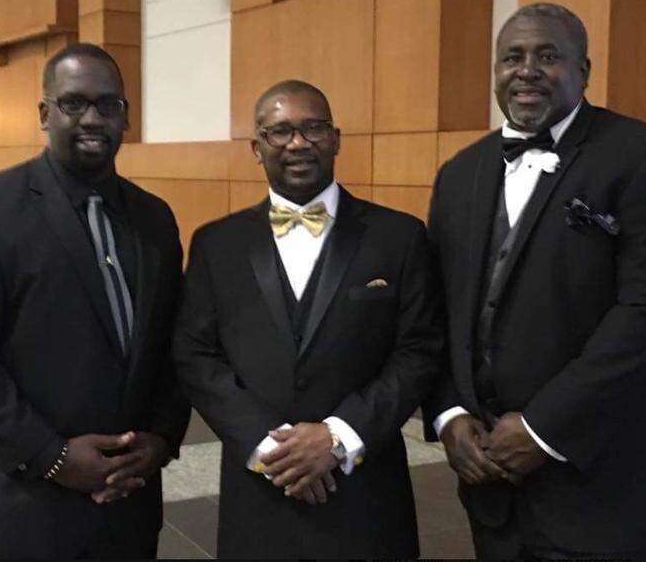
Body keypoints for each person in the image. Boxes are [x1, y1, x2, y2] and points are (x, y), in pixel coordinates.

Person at [423, 2, 646, 559]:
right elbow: (438, 310)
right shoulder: (460, 173)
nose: (527, 69)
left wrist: (541, 429)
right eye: (513, 57)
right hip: (491, 483)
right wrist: (450, 413)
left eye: (549, 56)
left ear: (585, 70)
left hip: (608, 481)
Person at [0, 43, 191, 559]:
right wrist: (55, 457)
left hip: (123, 510)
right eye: (74, 103)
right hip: (12, 509)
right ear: (45, 113)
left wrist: (159, 440)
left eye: (108, 105)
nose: (92, 118)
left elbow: (173, 344)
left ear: (125, 116)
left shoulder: (155, 218)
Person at [172, 80, 443, 558]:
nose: (298, 143)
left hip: (365, 487)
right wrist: (266, 446)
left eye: (313, 128)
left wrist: (340, 437)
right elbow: (195, 354)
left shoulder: (398, 237)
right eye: (280, 132)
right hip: (259, 487)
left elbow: (419, 349)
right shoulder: (216, 244)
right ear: (256, 148)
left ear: (336, 138)